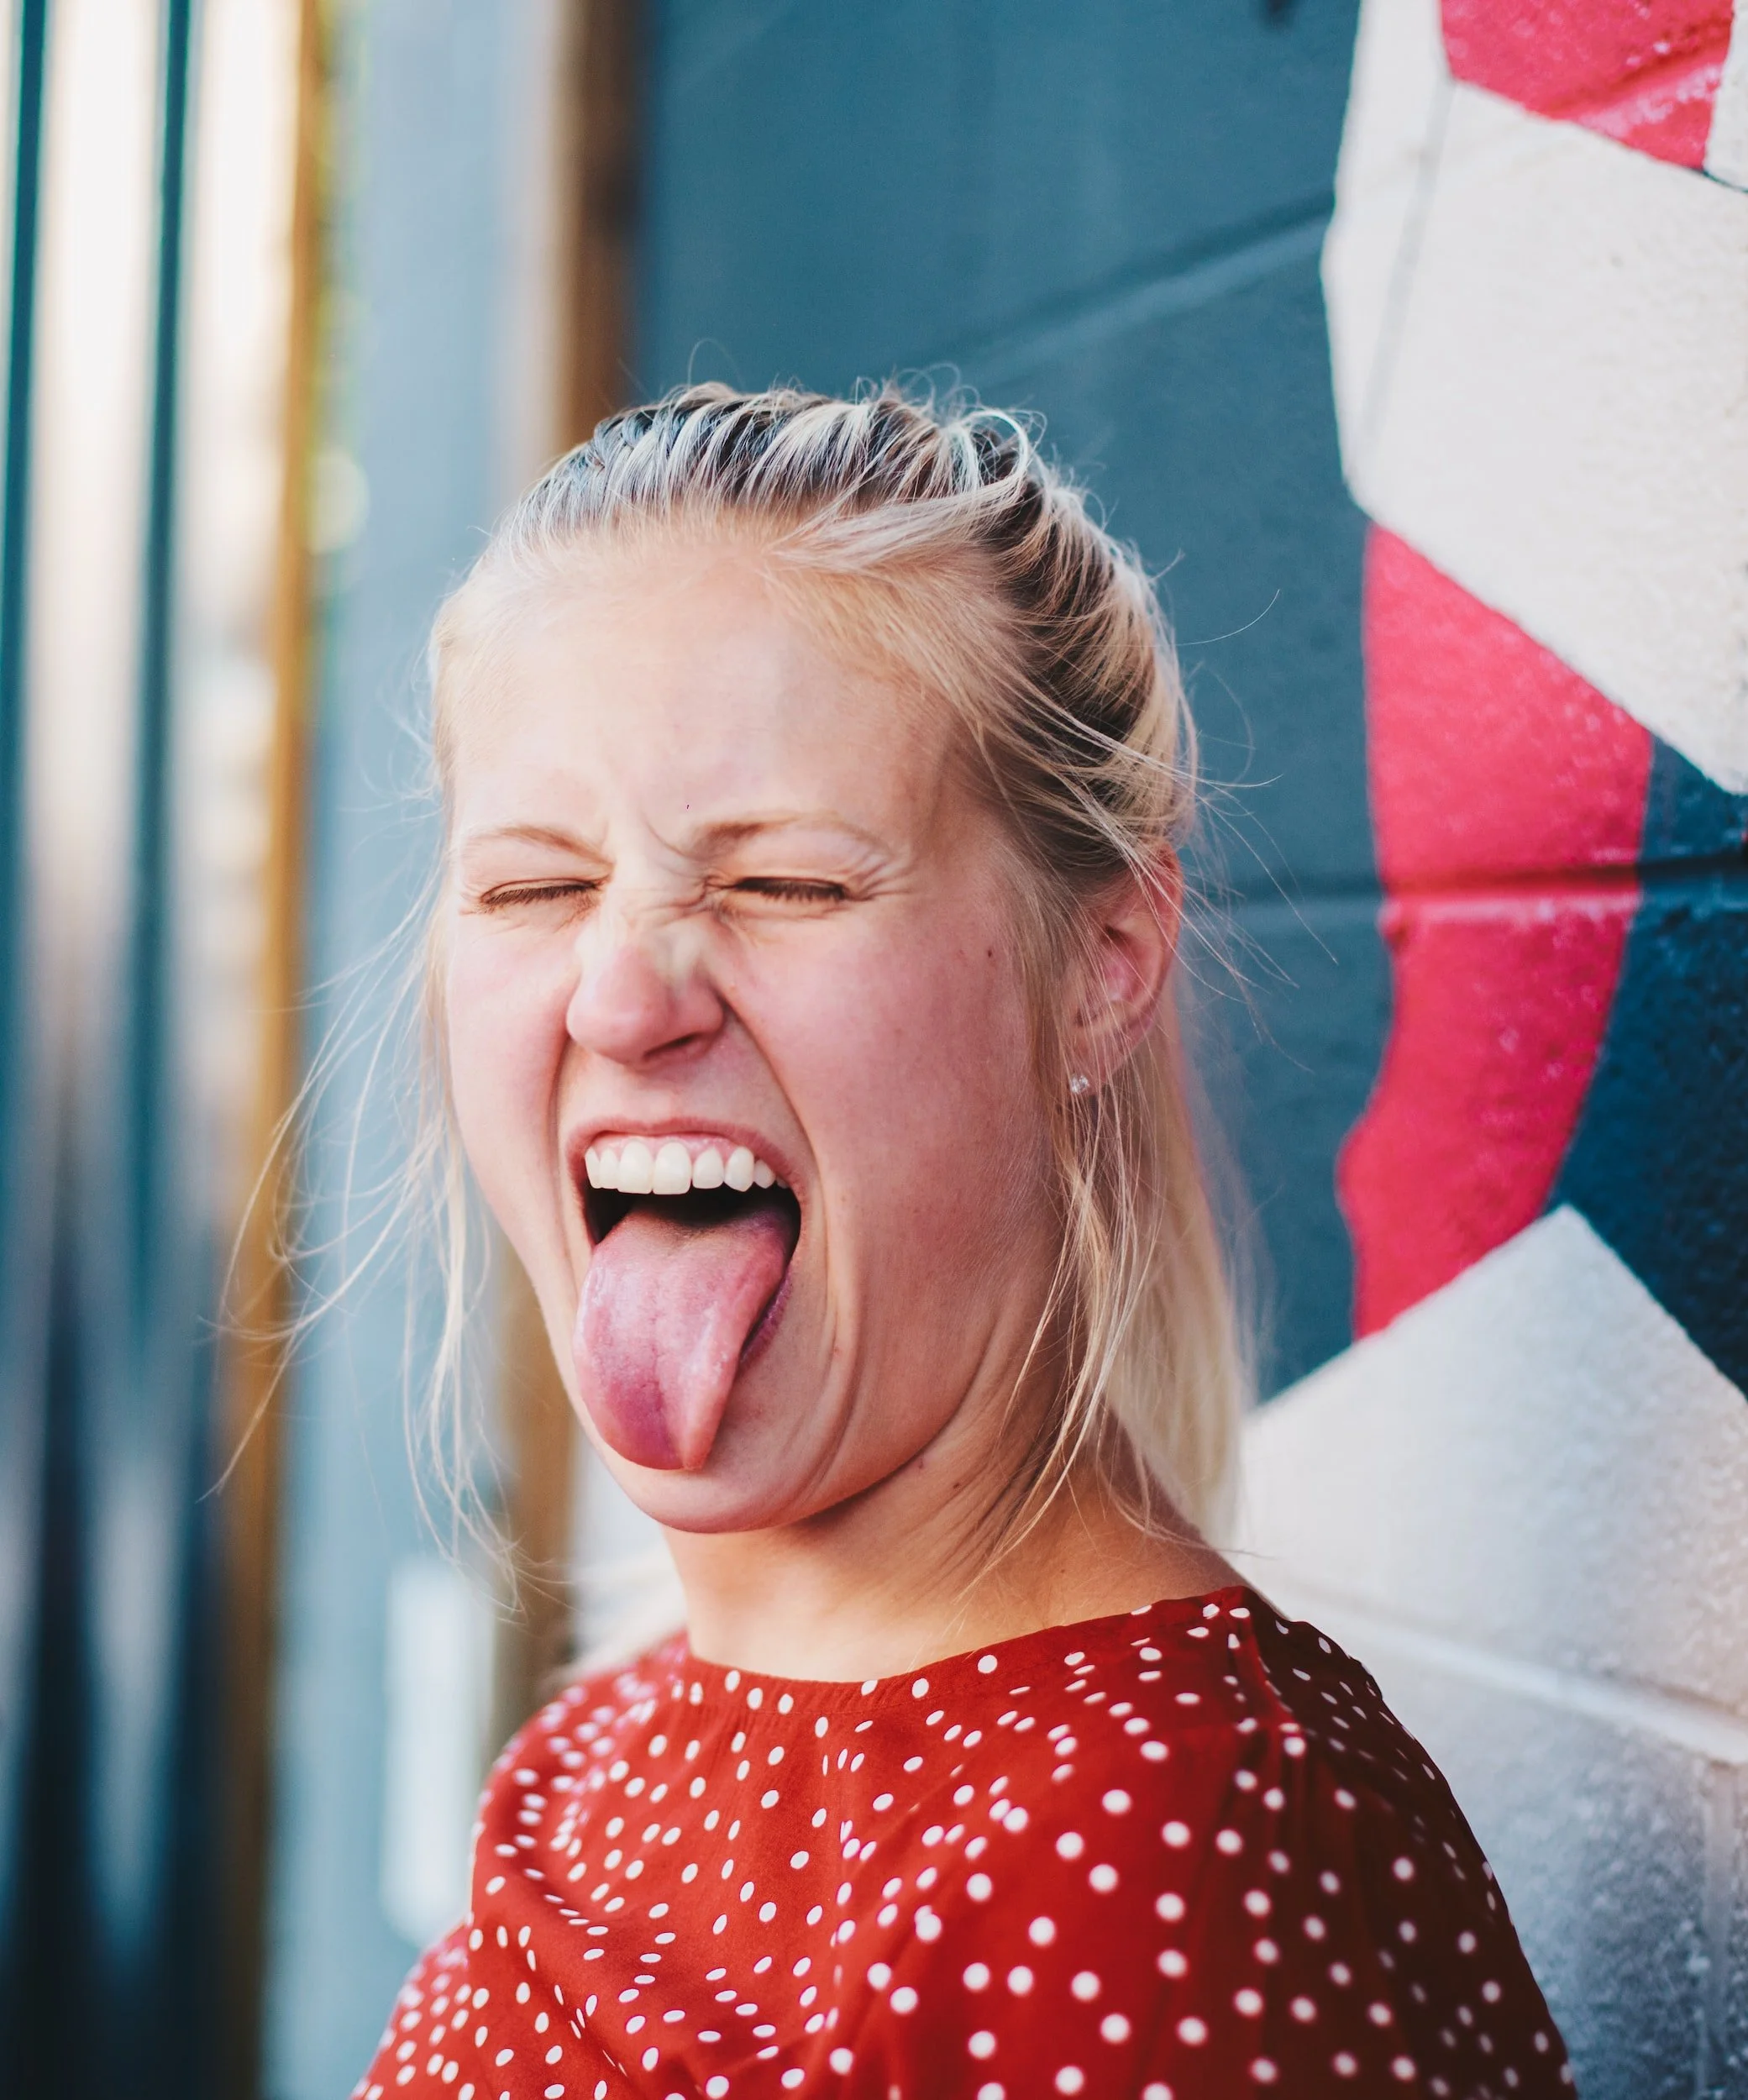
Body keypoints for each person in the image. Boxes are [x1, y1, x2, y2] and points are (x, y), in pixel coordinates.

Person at [355, 386, 1568, 2099]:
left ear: (1102, 963)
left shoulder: (1181, 1857)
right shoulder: (594, 1747)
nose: (619, 990)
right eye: (530, 887)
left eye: (786, 883)